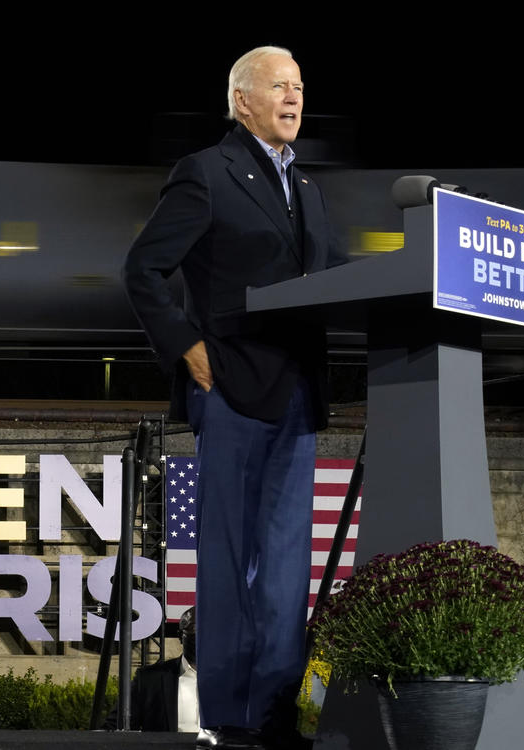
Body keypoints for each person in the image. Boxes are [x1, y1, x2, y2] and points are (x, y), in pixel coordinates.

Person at [123, 45, 345, 750]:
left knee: (286, 569)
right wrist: (186, 346)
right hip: (231, 389)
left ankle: (274, 715)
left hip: (299, 394)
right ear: (242, 99)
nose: (295, 97)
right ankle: (227, 716)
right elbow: (143, 269)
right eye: (281, 86)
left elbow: (333, 275)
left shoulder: (306, 189)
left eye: (301, 87)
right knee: (227, 561)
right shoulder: (206, 173)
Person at [104, 606, 198, 732]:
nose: (204, 638)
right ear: (180, 636)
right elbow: (113, 728)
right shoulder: (150, 680)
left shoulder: (231, 679)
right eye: (195, 631)